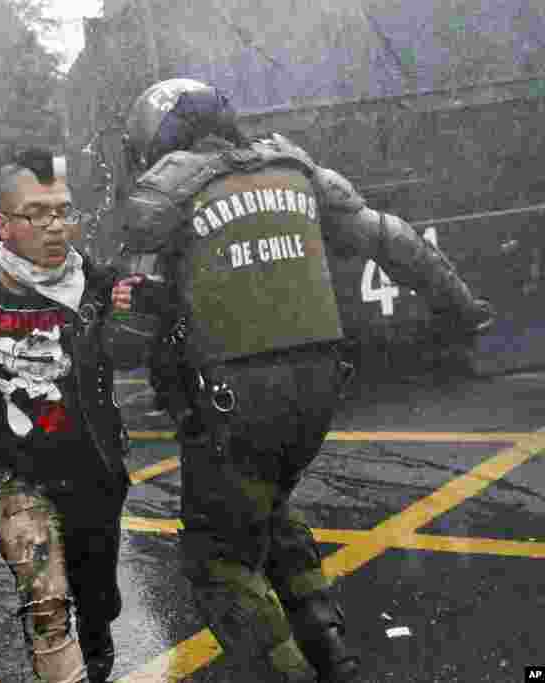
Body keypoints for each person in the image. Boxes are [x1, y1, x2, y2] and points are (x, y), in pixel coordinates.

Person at [116, 78, 495, 683]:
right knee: (269, 509)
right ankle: (332, 652)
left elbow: (126, 338)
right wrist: (460, 305)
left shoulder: (164, 194)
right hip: (320, 394)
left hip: (233, 403)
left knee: (219, 559)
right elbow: (390, 236)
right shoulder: (296, 169)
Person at [0, 148, 138, 683]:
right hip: (12, 474)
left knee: (98, 600)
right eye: (37, 214)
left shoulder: (100, 285)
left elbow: (135, 347)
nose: (55, 226)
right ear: (3, 225)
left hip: (93, 471)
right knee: (46, 601)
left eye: (63, 211)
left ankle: (99, 651)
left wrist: (139, 309)